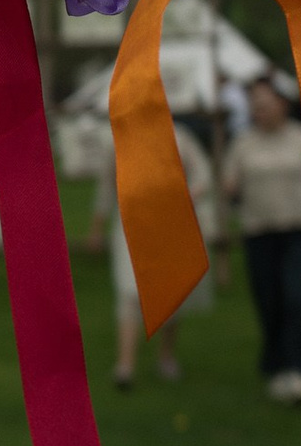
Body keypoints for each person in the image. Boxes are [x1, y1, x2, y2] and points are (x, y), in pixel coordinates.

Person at [90, 118, 221, 389]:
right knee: (130, 289)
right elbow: (105, 184)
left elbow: (203, 174)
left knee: (171, 291)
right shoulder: (118, 140)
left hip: (172, 224)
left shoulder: (179, 136)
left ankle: (166, 356)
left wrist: (186, 197)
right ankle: (125, 366)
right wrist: (97, 227)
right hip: (132, 224)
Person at [223, 76, 301, 404]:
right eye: (254, 107)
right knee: (269, 302)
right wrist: (230, 192)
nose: (259, 111)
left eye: (265, 106)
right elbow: (229, 186)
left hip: (299, 229)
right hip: (258, 232)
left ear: (283, 105)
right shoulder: (243, 143)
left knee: (297, 297)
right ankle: (277, 363)